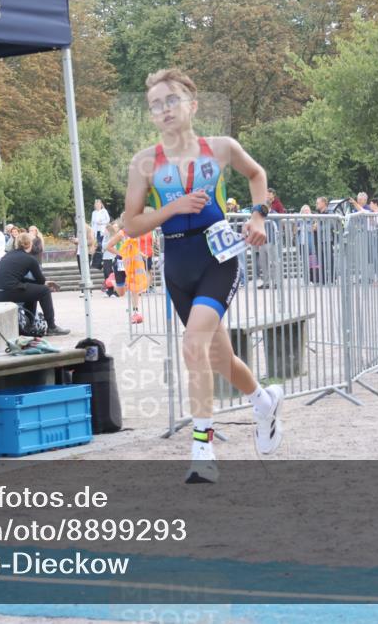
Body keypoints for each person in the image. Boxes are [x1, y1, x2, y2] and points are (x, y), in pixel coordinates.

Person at [121, 67, 284, 484]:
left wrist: (259, 216)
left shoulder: (221, 148)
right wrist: (172, 208)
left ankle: (202, 450)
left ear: (193, 105)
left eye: (171, 100)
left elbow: (257, 175)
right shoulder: (144, 163)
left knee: (193, 346)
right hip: (178, 266)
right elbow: (131, 225)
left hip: (217, 259)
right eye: (155, 105)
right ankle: (263, 401)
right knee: (218, 358)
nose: (164, 110)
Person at [0, 232, 70, 335]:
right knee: (44, 291)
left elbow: (18, 279)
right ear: (30, 244)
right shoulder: (30, 259)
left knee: (33, 290)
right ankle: (52, 327)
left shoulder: (8, 254)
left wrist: (40, 283)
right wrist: (46, 284)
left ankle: (29, 326)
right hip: (8, 291)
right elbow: (40, 281)